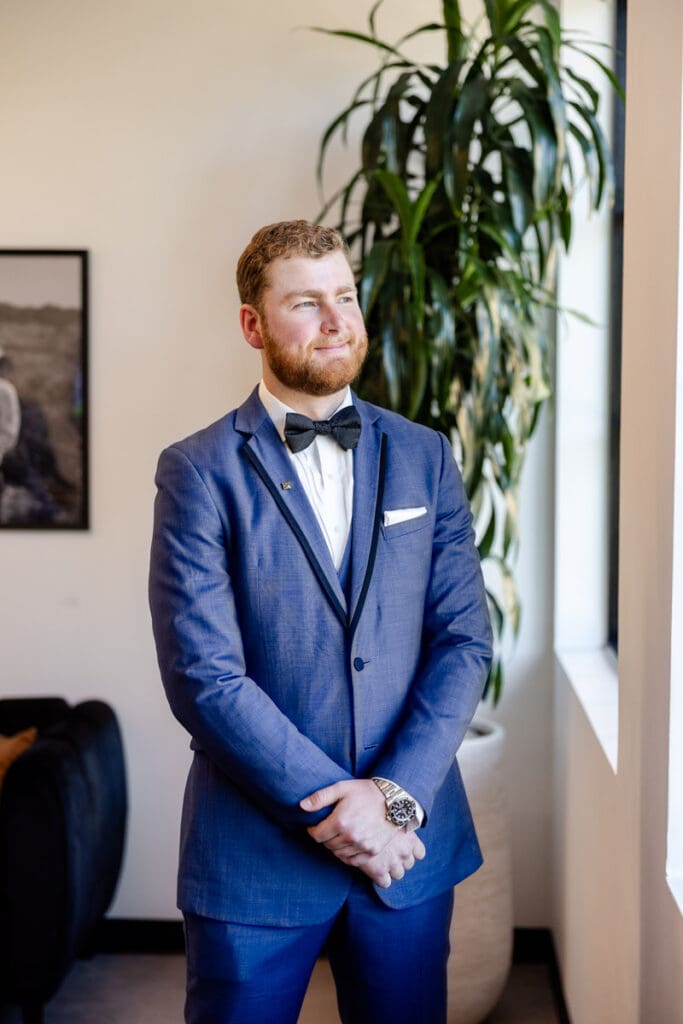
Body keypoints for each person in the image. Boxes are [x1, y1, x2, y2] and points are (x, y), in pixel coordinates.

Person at [149, 220, 492, 1024]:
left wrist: (394, 802)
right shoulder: (196, 471)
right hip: (253, 861)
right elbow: (205, 677)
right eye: (307, 303)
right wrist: (346, 817)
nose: (338, 321)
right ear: (253, 324)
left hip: (407, 854)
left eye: (345, 297)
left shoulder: (423, 455)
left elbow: (463, 641)